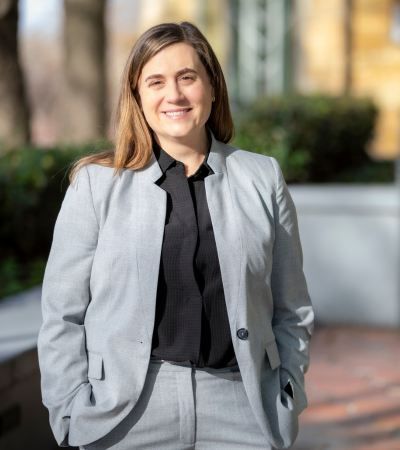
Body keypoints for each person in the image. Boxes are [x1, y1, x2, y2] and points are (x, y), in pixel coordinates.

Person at [37, 21, 314, 450]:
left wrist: (288, 394)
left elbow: (291, 306)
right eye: (156, 82)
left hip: (242, 405)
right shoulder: (96, 185)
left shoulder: (263, 178)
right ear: (138, 96)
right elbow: (62, 313)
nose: (175, 95)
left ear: (213, 87)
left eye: (188, 77)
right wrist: (70, 410)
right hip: (125, 410)